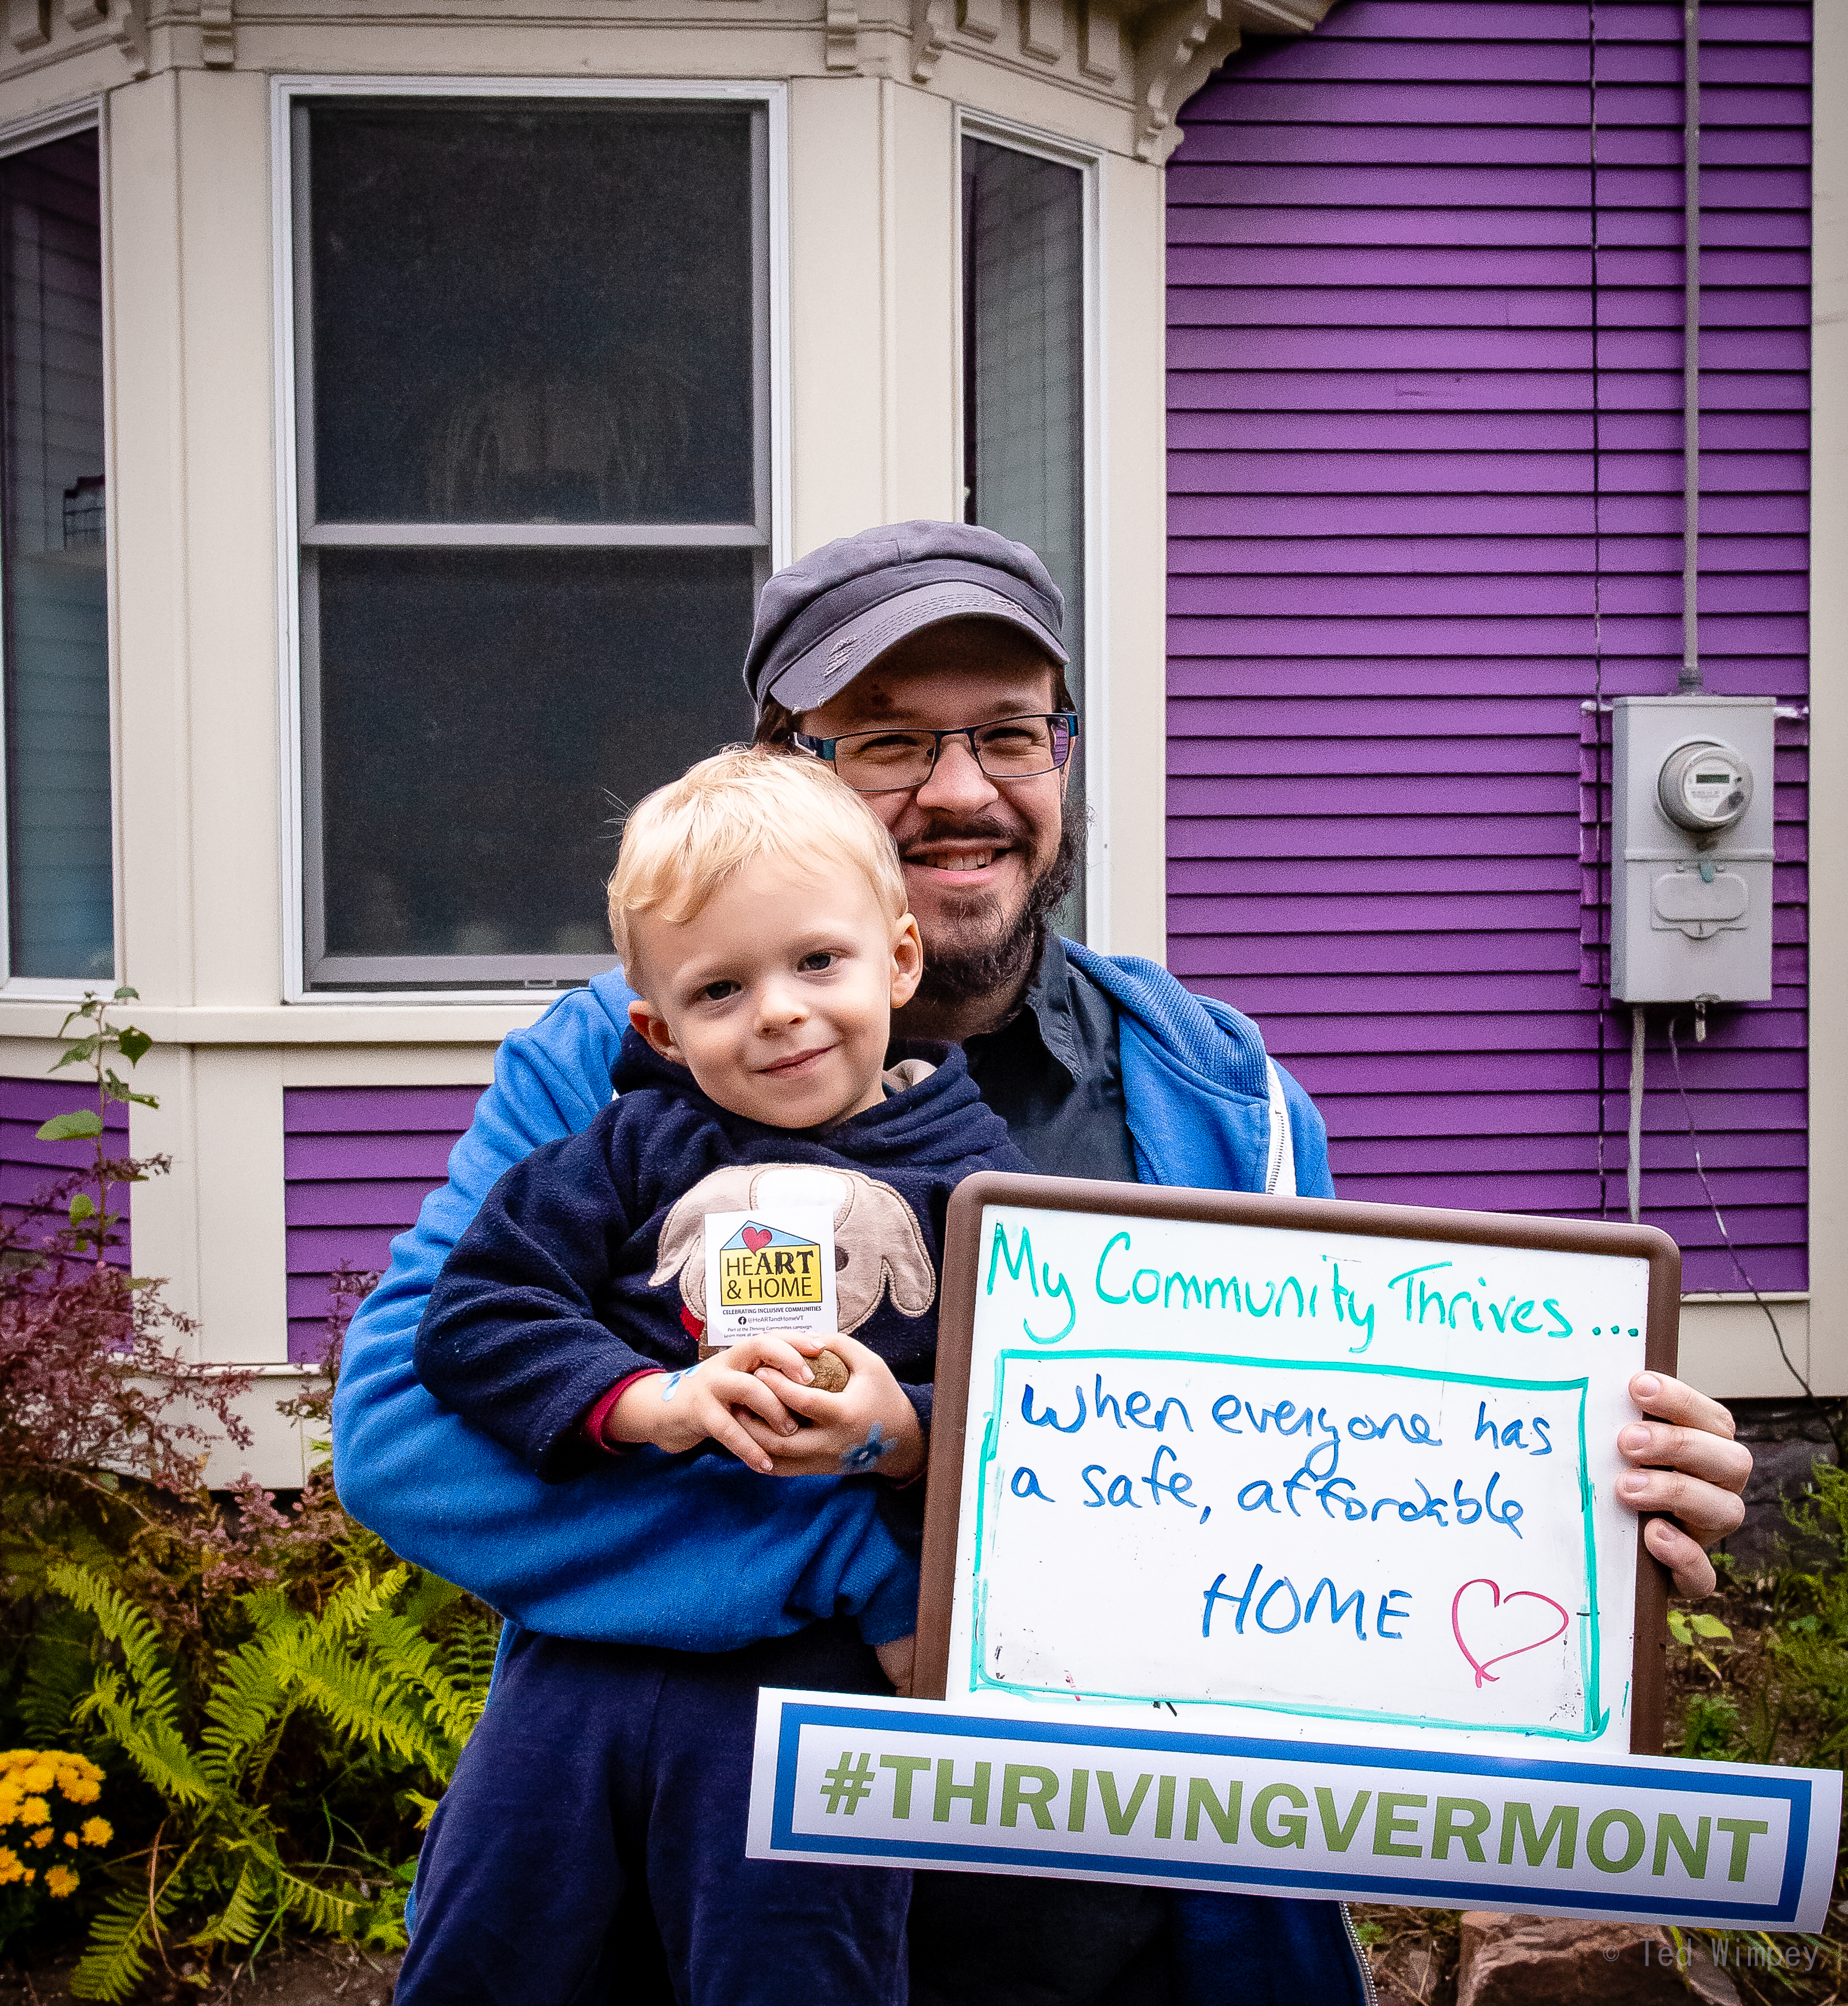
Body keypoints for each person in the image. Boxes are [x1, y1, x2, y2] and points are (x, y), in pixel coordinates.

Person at [333, 520, 1754, 2006]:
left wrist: (1582, 1506)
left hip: (1143, 1953)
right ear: (783, 764)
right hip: (718, 1935)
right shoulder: (624, 1069)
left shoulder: (1214, 1090)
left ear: (1060, 756)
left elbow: (1326, 1496)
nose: (959, 793)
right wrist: (863, 1547)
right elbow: (405, 1438)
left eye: (1006, 733)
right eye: (885, 741)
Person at [394, 751, 1030, 2004]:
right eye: (721, 989)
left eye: (816, 963)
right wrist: (651, 1402)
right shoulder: (626, 1150)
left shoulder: (978, 1177)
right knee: (491, 1940)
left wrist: (899, 1427)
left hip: (820, 1669)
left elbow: (1039, 1413)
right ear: (658, 1029)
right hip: (583, 1654)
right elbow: (476, 1313)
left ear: (898, 960)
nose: (780, 1012)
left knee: (793, 1961)